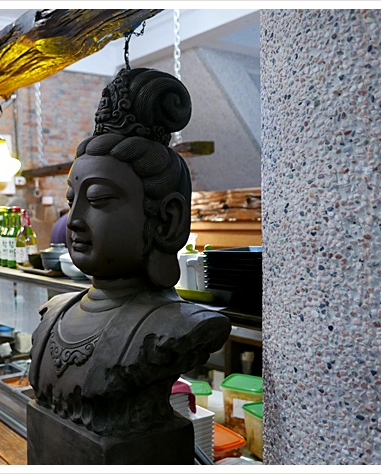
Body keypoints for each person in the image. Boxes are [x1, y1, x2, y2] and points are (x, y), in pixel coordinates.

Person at [28, 68, 231, 440]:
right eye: (72, 201)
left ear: (167, 220)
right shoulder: (55, 312)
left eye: (99, 199)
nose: (74, 220)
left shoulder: (175, 327)